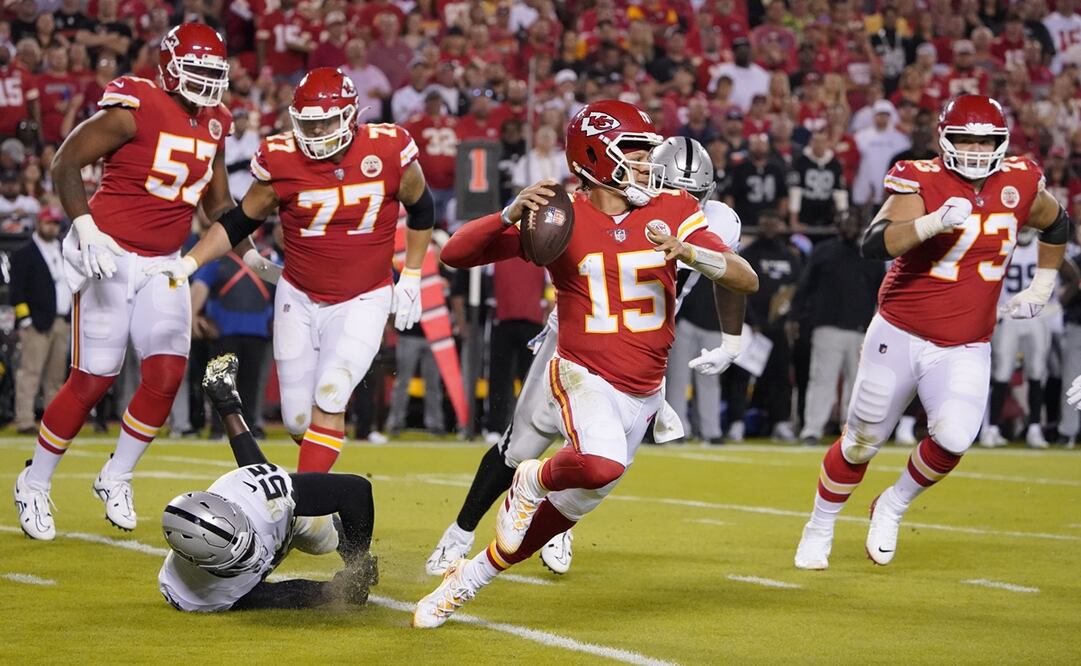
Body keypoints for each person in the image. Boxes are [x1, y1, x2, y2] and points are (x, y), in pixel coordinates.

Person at [413, 103, 757, 627]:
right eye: (638, 154)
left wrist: (691, 251)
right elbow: (456, 255)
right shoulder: (560, 216)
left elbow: (743, 278)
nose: (650, 163)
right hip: (581, 370)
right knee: (596, 463)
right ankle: (525, 482)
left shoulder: (676, 207)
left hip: (643, 386)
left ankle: (465, 580)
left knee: (560, 517)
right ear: (597, 158)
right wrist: (507, 215)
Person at [794, 95, 1068, 571]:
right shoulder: (920, 178)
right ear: (945, 139)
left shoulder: (1020, 179)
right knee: (861, 441)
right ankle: (820, 524)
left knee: (956, 438)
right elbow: (874, 242)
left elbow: (1057, 223)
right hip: (901, 332)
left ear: (1002, 142)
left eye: (987, 140)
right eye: (967, 138)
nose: (978, 149)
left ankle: (893, 505)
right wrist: (931, 223)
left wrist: (1043, 286)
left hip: (966, 342)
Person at [149, 67, 434, 474]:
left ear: (351, 116)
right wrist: (189, 262)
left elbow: (422, 209)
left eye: (326, 122)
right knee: (299, 419)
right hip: (297, 295)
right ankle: (319, 482)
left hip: (364, 296)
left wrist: (411, 274)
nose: (317, 132)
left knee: (332, 394)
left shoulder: (388, 149)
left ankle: (308, 504)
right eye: (309, 123)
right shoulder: (281, 158)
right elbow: (237, 223)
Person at [13, 24, 234, 540]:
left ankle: (117, 474)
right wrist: (85, 227)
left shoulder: (218, 122)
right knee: (93, 378)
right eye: (197, 70)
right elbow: (66, 162)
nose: (205, 82)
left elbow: (218, 205)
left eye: (213, 73)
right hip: (109, 255)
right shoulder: (136, 102)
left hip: (165, 262)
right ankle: (35, 481)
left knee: (166, 374)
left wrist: (251, 247)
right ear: (171, 67)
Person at [159, 354, 378, 612]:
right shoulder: (203, 597)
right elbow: (281, 594)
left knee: (320, 531)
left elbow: (355, 490)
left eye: (248, 543)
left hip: (273, 514)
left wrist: (357, 563)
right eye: (240, 559)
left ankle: (227, 405)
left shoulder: (252, 496)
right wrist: (335, 592)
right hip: (248, 553)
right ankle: (227, 404)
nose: (256, 555)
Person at [791, 211, 885, 445]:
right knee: (822, 379)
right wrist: (795, 316)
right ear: (837, 225)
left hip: (861, 329)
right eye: (845, 222)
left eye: (853, 222)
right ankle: (812, 429)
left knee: (858, 383)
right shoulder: (824, 251)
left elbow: (883, 293)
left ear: (861, 225)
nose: (850, 227)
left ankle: (853, 432)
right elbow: (805, 286)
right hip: (827, 326)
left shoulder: (871, 253)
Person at [982, 227, 1060, 448]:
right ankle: (992, 428)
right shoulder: (1004, 245)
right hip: (1009, 315)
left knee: (1036, 372)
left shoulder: (1044, 247)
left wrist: (1057, 301)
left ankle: (1035, 428)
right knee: (1002, 372)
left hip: (1037, 316)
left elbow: (1068, 272)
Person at [11, 209, 72, 435]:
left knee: (56, 377)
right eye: (48, 223)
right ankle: (25, 420)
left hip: (61, 321)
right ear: (39, 222)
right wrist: (25, 320)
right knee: (30, 372)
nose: (52, 227)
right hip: (37, 322)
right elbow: (16, 292)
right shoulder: (25, 253)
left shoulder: (62, 250)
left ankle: (52, 422)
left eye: (56, 223)